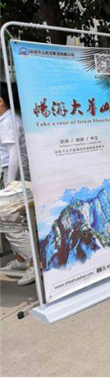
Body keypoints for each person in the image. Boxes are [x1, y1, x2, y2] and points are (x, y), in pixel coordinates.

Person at [0, 81, 34, 286]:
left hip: (13, 174)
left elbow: (14, 155)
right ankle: (22, 259)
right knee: (12, 220)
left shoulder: (9, 121)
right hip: (9, 173)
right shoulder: (6, 119)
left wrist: (10, 184)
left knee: (10, 220)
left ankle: (34, 263)